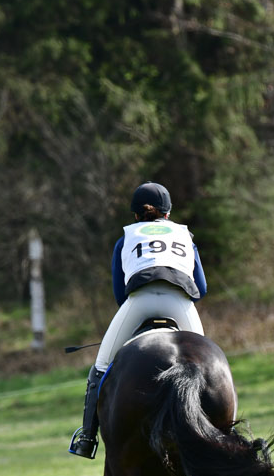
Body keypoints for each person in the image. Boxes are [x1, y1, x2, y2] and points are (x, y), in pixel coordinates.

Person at [69, 181, 207, 459]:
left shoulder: (126, 239)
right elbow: (201, 289)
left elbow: (120, 294)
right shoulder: (185, 236)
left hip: (139, 302)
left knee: (101, 366)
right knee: (205, 366)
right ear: (168, 213)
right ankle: (219, 432)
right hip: (180, 302)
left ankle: (87, 437)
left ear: (135, 214)